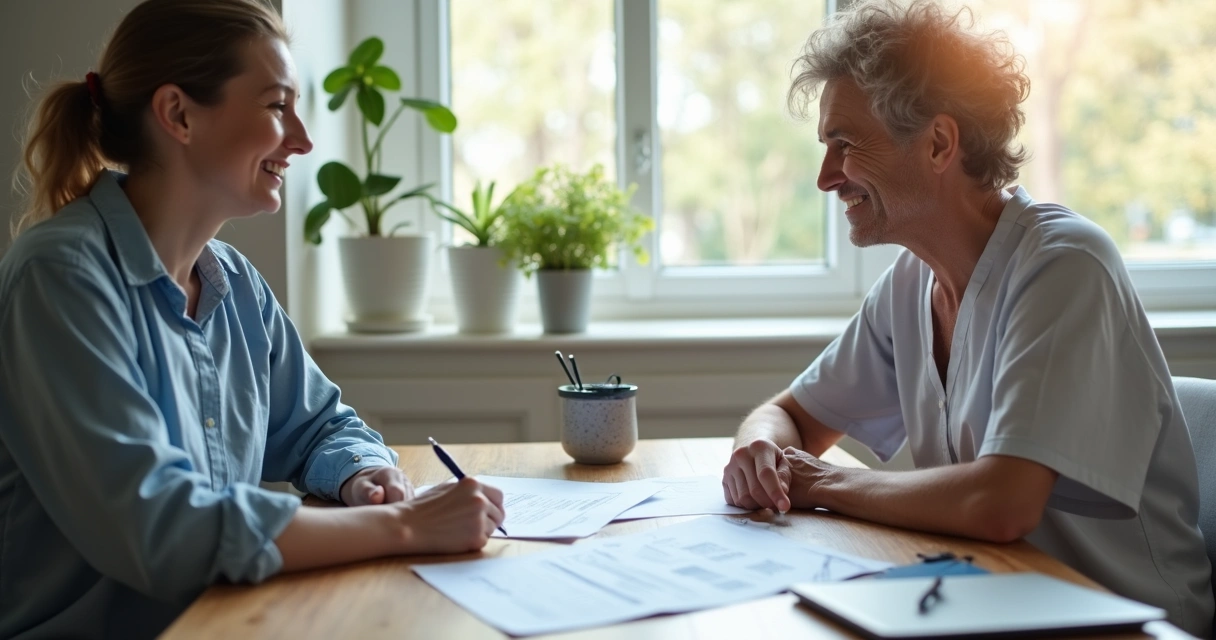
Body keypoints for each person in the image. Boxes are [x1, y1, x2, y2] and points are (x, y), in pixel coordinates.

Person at [0, 1, 505, 637]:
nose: (302, 138)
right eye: (276, 106)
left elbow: (320, 424)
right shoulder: (62, 278)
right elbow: (158, 528)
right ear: (178, 115)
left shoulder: (234, 284)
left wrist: (361, 475)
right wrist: (403, 524)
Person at [722, 1, 1214, 636]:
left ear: (938, 142)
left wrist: (820, 482)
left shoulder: (1065, 266)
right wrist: (758, 451)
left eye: (845, 145)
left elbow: (999, 505)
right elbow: (787, 415)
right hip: (995, 606)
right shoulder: (910, 283)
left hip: (1126, 622)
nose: (825, 178)